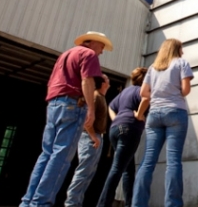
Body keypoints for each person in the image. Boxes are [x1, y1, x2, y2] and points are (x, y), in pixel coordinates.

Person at [20, 31, 113, 207]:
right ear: (94, 43)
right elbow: (87, 81)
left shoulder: (65, 54)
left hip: (54, 103)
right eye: (102, 46)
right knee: (61, 156)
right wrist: (90, 110)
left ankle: (28, 201)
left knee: (46, 154)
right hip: (72, 104)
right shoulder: (89, 54)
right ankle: (41, 203)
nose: (101, 51)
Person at [132, 39, 193, 207]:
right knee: (173, 161)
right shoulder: (182, 63)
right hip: (175, 112)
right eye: (181, 48)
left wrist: (159, 93)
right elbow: (186, 90)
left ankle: (138, 203)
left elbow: (144, 92)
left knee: (147, 162)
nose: (183, 51)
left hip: (154, 115)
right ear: (176, 49)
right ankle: (172, 204)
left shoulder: (153, 68)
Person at [98, 67, 148, 207]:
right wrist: (139, 114)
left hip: (115, 129)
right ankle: (103, 203)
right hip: (130, 129)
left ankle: (130, 203)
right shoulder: (142, 90)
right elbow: (146, 98)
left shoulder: (125, 91)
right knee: (118, 168)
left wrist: (115, 119)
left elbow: (111, 107)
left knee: (128, 169)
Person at [65, 73, 111, 207]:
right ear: (103, 83)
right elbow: (86, 119)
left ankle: (77, 202)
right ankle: (71, 203)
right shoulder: (96, 97)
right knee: (83, 172)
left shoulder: (101, 97)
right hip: (90, 137)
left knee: (88, 173)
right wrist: (93, 137)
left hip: (96, 137)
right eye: (108, 80)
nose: (109, 83)